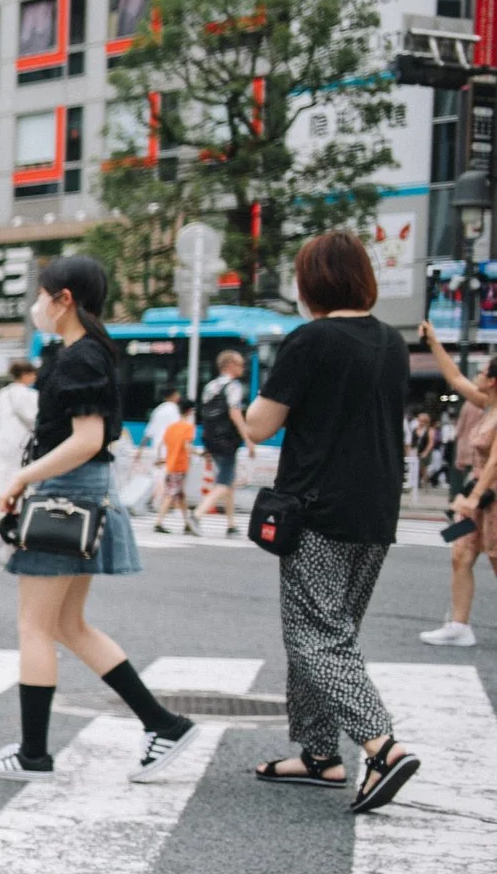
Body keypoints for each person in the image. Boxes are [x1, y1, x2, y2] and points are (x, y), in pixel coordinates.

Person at [0, 255, 199, 782]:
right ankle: (161, 723)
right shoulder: (88, 353)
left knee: (35, 626)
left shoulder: (81, 358)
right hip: (81, 495)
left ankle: (33, 754)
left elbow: (87, 440)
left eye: (41, 294)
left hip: (65, 497)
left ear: (64, 299)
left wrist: (19, 481)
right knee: (67, 625)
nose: (36, 304)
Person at [239, 233, 419, 812]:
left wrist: (240, 410)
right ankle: (320, 756)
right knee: (332, 632)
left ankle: (381, 745)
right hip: (377, 508)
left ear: (312, 284)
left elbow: (261, 425)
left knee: (314, 636)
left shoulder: (311, 339)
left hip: (319, 508)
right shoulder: (391, 341)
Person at [418, 328, 496, 646]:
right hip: (476, 493)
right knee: (459, 552)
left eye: (481, 371)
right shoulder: (487, 404)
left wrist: (474, 497)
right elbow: (455, 379)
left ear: (492, 379)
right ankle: (459, 627)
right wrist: (434, 342)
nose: (475, 375)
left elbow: (495, 462)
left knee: (494, 558)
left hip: (488, 495)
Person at [192, 348, 253, 536]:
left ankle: (231, 524)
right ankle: (197, 514)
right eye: (241, 364)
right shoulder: (233, 386)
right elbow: (235, 413)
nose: (243, 368)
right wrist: (248, 439)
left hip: (211, 439)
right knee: (224, 482)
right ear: (230, 365)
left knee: (229, 482)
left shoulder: (210, 386)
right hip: (227, 440)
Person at [0, 359, 41, 508]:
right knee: (17, 473)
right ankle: (13, 509)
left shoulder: (3, 393)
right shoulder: (30, 395)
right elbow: (34, 418)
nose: (34, 377)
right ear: (24, 375)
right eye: (32, 374)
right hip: (21, 440)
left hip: (2, 438)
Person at [152, 398, 198, 534]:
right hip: (180, 466)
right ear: (190, 411)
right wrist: (198, 453)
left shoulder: (171, 427)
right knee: (170, 494)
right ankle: (158, 522)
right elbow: (186, 445)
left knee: (180, 495)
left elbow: (162, 444)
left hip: (170, 464)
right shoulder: (188, 427)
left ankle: (187, 523)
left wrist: (161, 459)